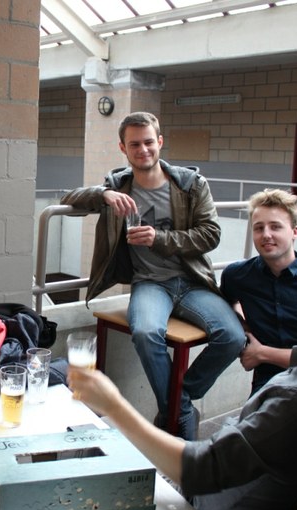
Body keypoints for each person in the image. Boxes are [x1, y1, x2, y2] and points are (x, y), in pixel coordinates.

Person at [68, 267, 297, 510]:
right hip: (203, 476)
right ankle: (179, 407)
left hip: (196, 499)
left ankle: (177, 406)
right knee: (100, 438)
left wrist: (114, 406)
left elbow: (202, 469)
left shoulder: (296, 399)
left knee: (89, 462)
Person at [61, 111, 245, 440]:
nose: (143, 150)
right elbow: (68, 198)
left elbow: (211, 234)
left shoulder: (191, 184)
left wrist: (159, 239)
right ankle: (180, 411)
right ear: (123, 148)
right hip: (150, 284)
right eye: (134, 144)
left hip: (191, 282)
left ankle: (177, 403)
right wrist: (102, 194)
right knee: (146, 332)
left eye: (149, 142)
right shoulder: (118, 186)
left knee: (232, 337)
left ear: (160, 142)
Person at [221, 189, 297, 394]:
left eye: (275, 226)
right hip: (267, 383)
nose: (266, 235)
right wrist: (245, 330)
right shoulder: (237, 275)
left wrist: (262, 353)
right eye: (259, 228)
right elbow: (227, 303)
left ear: (295, 231)